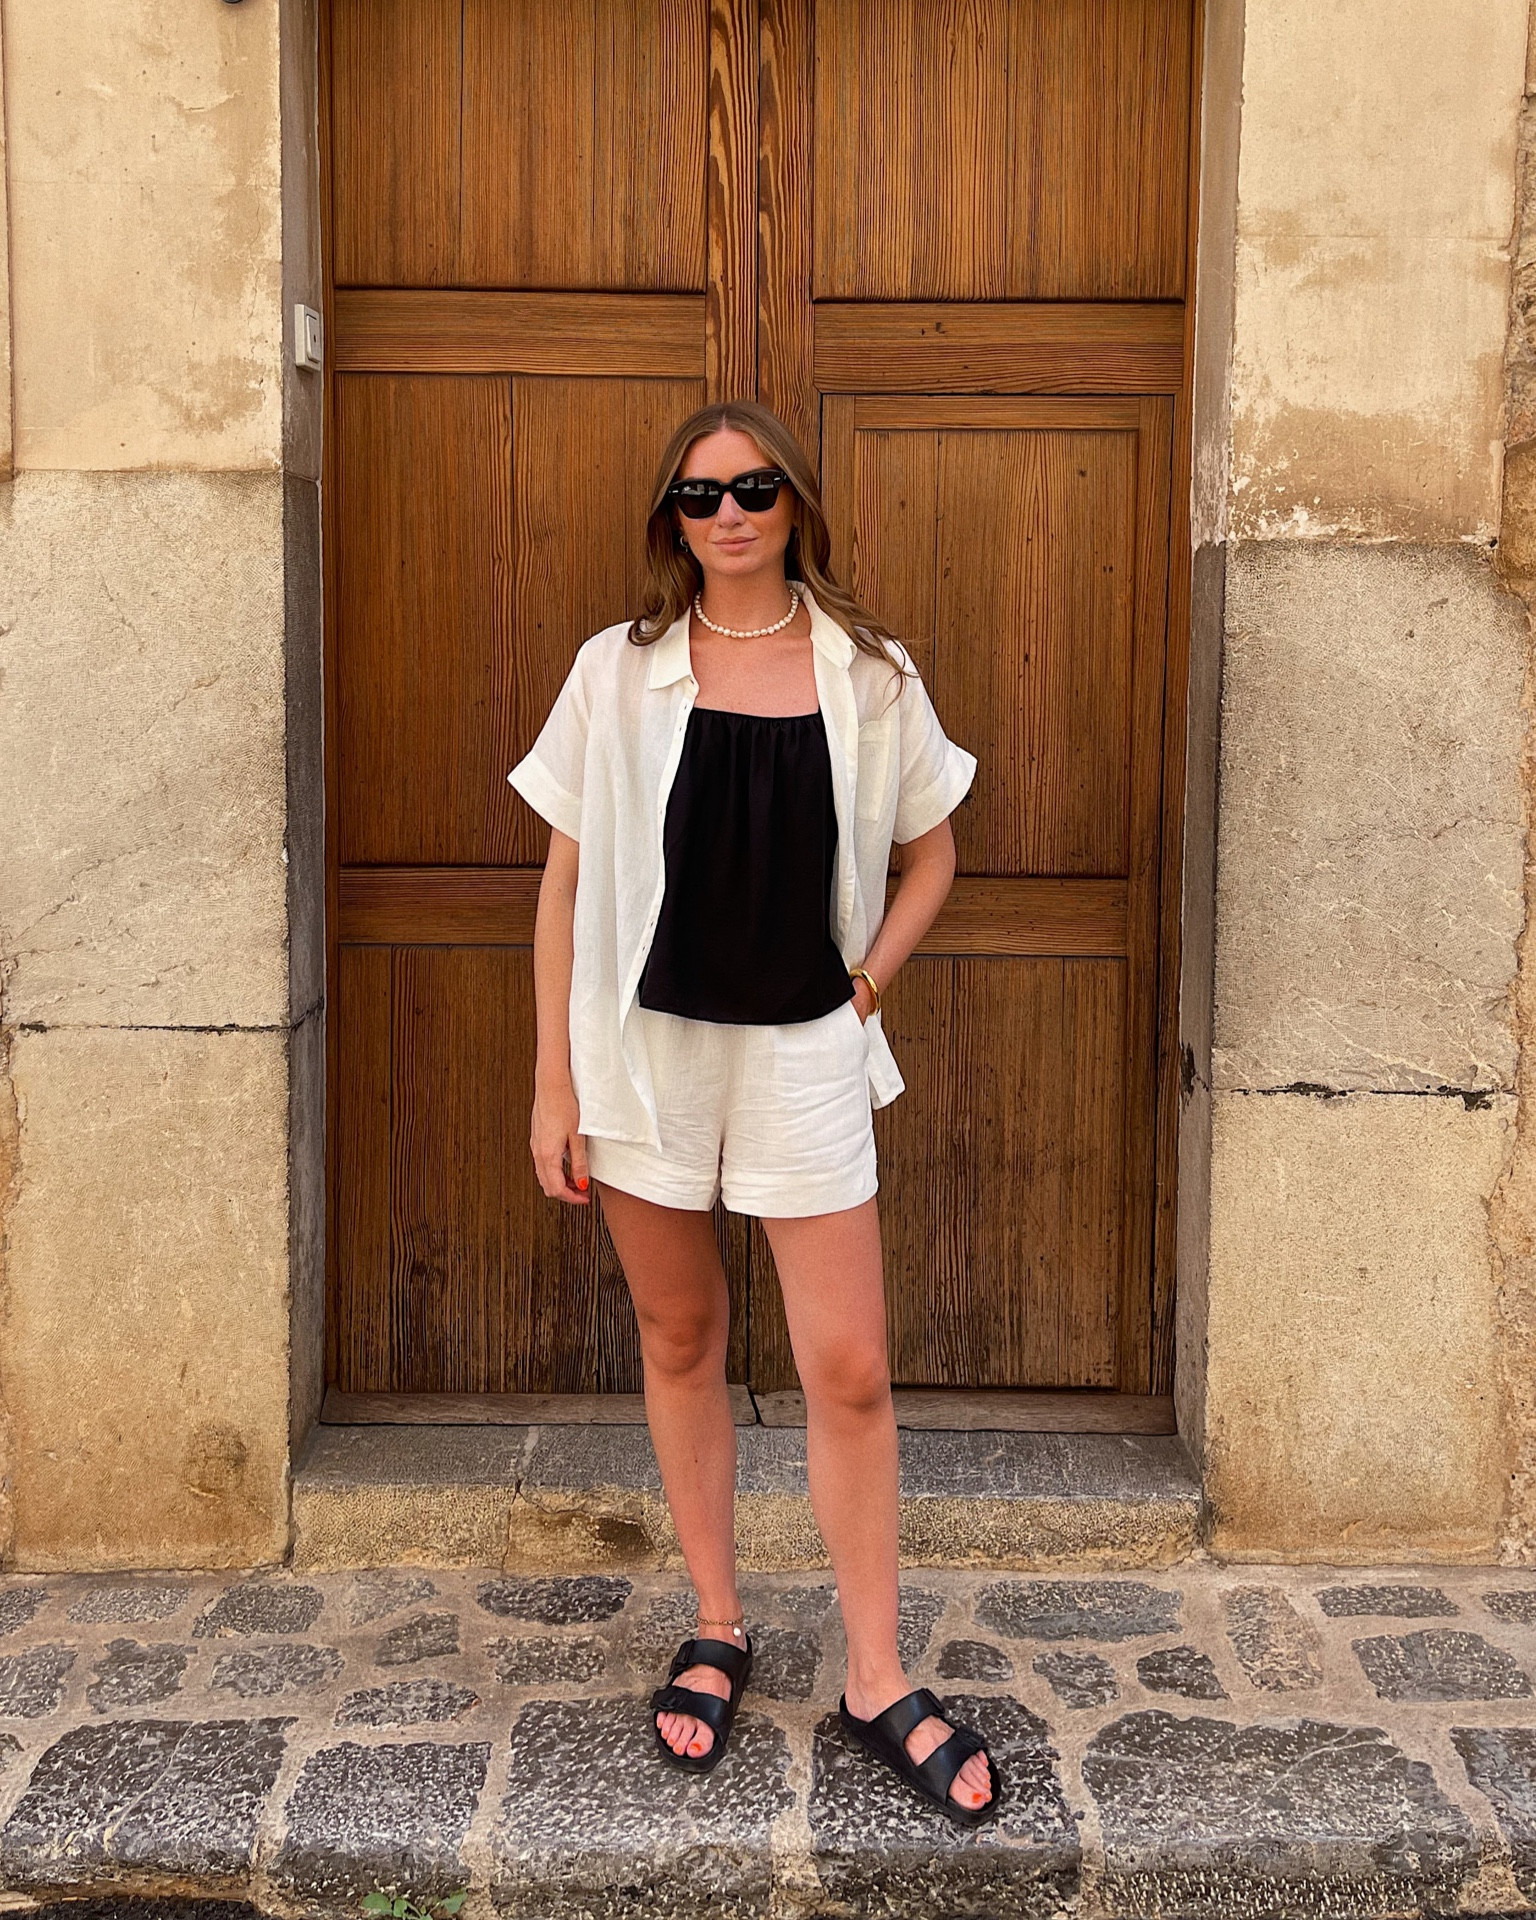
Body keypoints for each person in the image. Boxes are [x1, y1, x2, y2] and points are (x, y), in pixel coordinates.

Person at [508, 400, 999, 1824]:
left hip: (801, 1055)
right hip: (646, 1056)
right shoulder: (618, 672)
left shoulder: (871, 675)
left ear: (796, 503)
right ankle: (716, 1621)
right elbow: (561, 884)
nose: (725, 515)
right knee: (681, 1335)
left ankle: (873, 1674)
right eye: (697, 497)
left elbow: (935, 850)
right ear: (670, 520)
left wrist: (864, 990)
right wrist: (557, 1082)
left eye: (753, 488)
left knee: (846, 1365)